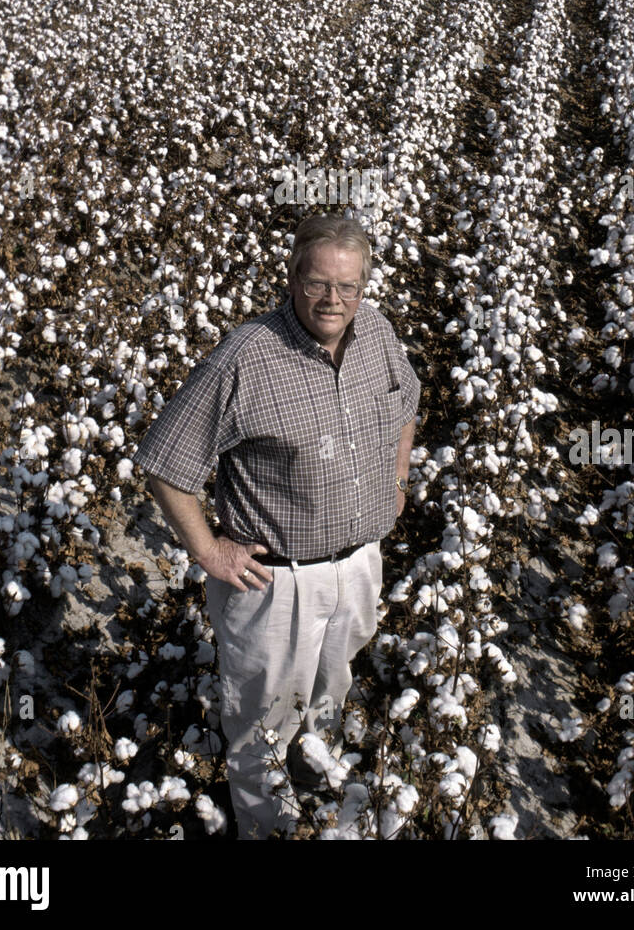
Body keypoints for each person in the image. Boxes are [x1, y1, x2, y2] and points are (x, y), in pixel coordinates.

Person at [133, 212, 420, 839]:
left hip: (359, 564)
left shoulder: (376, 333)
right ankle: (269, 830)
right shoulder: (248, 355)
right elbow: (164, 461)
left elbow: (408, 402)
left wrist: (396, 479)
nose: (333, 301)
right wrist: (210, 550)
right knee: (261, 724)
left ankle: (315, 796)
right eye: (318, 283)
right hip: (275, 584)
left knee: (330, 696)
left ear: (365, 288)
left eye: (348, 287)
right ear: (291, 278)